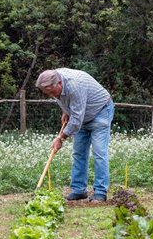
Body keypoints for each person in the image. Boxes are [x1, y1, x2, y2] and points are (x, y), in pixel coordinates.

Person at [36, 68, 114, 202]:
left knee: (99, 153)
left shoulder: (74, 86)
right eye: (47, 93)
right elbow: (67, 102)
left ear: (59, 83)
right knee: (78, 153)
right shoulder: (54, 79)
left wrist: (61, 138)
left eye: (52, 92)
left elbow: (77, 119)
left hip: (100, 111)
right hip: (81, 115)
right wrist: (66, 111)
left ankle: (100, 192)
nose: (51, 95)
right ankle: (79, 190)